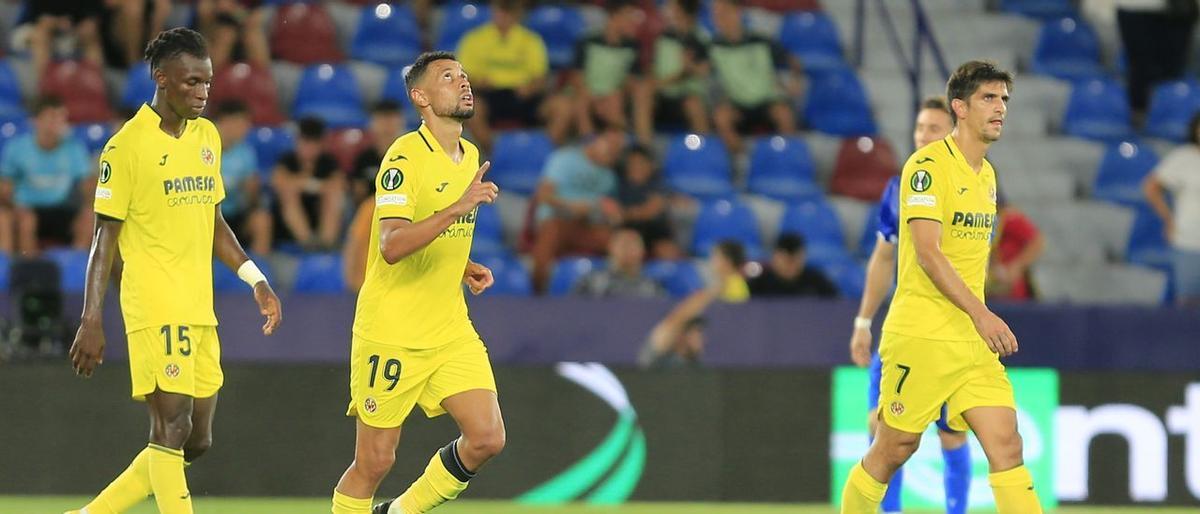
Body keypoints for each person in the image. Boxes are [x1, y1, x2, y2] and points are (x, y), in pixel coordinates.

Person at [65, 28, 282, 514]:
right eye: (191, 82)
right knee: (171, 427)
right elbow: (104, 238)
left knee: (196, 439)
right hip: (154, 301)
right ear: (161, 79)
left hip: (198, 305)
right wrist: (91, 318)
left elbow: (214, 222)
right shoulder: (126, 147)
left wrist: (256, 279)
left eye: (207, 82)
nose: (203, 93)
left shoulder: (207, 137)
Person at [840, 61, 1043, 514]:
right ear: (960, 107)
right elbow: (928, 254)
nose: (1000, 108)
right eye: (988, 98)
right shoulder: (926, 167)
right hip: (922, 336)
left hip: (971, 344)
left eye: (1004, 99)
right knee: (893, 448)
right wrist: (983, 313)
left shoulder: (986, 175)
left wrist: (979, 315)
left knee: (1007, 445)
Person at [330, 51, 505, 514]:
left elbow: (437, 229)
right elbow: (391, 244)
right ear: (421, 97)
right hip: (393, 332)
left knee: (487, 437)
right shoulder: (404, 156)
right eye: (448, 77)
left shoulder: (470, 156)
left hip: (449, 328)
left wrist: (463, 264)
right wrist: (458, 207)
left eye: (464, 75)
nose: (463, 82)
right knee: (374, 462)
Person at [846, 95, 972, 514]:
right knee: (883, 430)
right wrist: (863, 321)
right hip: (905, 328)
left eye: (933, 128)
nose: (922, 136)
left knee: (952, 432)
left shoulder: (970, 183)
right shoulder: (901, 187)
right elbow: (884, 257)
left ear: (952, 132)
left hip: (951, 333)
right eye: (919, 128)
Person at [456, 0, 570, 149]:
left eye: (509, 11)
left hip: (523, 95)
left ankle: (543, 152)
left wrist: (531, 88)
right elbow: (464, 76)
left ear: (518, 14)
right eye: (501, 10)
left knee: (563, 107)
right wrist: (478, 83)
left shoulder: (531, 40)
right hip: (490, 94)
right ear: (493, 11)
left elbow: (540, 77)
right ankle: (496, 153)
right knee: (469, 107)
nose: (504, 16)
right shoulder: (474, 39)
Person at [530, 128, 626, 294]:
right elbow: (543, 196)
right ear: (596, 141)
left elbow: (609, 209)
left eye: (617, 150)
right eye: (610, 146)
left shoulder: (609, 177)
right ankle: (538, 293)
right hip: (556, 220)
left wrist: (613, 215)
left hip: (588, 224)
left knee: (617, 241)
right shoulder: (564, 159)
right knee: (549, 238)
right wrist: (571, 206)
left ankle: (618, 291)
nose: (613, 153)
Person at [0, 96, 93, 256]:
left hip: (62, 209)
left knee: (90, 218)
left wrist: (89, 204)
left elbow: (88, 184)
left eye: (61, 118)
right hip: (26, 210)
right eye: (52, 117)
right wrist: (12, 204)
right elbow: (5, 185)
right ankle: (28, 266)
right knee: (26, 222)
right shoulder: (17, 148)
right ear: (36, 121)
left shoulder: (74, 148)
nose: (58, 123)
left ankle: (76, 266)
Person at [708, 0, 801, 154]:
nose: (720, 19)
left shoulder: (762, 41)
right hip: (736, 103)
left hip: (767, 101)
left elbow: (792, 61)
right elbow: (707, 78)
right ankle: (744, 160)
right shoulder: (712, 47)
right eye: (716, 15)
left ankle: (788, 157)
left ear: (737, 12)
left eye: (724, 13)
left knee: (784, 114)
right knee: (721, 117)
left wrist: (795, 80)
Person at [569, 0, 649, 138]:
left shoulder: (632, 46)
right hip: (587, 93)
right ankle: (588, 141)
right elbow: (576, 76)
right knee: (581, 101)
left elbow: (632, 80)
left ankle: (631, 142)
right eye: (629, 16)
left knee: (615, 100)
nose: (633, 21)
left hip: (614, 95)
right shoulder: (587, 40)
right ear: (614, 16)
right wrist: (595, 99)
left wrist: (616, 93)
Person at [1144, 111, 1200, 307]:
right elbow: (1151, 187)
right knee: (1189, 303)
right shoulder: (1183, 157)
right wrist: (1168, 219)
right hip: (1190, 240)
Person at [637, 0, 711, 143]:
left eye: (672, 7)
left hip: (687, 95)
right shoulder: (664, 37)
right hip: (662, 95)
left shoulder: (700, 38)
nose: (667, 10)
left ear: (682, 12)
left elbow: (700, 71)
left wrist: (689, 69)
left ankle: (704, 148)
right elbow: (655, 70)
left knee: (693, 104)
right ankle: (644, 146)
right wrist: (655, 83)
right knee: (643, 92)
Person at [271, 116, 346, 250]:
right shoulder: (287, 160)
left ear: (321, 144)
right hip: (289, 222)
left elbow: (339, 185)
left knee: (335, 196)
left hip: (319, 214)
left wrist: (305, 184)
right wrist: (314, 185)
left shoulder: (328, 162)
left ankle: (326, 243)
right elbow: (278, 183)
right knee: (288, 194)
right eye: (305, 143)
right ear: (298, 142)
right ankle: (307, 242)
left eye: (313, 143)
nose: (309, 148)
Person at [213, 99, 271, 256]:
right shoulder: (203, 148)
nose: (247, 128)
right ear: (226, 122)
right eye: (242, 123)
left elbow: (251, 197)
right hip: (207, 215)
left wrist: (251, 190)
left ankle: (259, 267)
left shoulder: (245, 153)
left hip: (234, 214)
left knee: (261, 220)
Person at [606, 144, 680, 260]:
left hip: (654, 232)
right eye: (633, 163)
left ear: (650, 165)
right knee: (620, 245)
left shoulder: (658, 184)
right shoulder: (617, 185)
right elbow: (613, 213)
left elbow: (651, 210)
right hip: (625, 231)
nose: (637, 167)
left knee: (668, 252)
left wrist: (627, 214)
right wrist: (633, 214)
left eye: (641, 163)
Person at [573, 226, 665, 299]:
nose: (627, 249)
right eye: (623, 244)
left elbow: (664, 313)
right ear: (610, 248)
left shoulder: (652, 287)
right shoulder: (591, 281)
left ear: (643, 251)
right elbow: (573, 309)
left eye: (633, 244)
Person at [988, 196, 1044, 302]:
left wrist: (1015, 267)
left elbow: (1037, 242)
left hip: (1011, 294)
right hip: (989, 290)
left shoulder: (1009, 218)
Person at [748, 233, 837, 298]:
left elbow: (835, 304)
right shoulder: (760, 284)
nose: (790, 266)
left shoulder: (816, 282)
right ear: (775, 258)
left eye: (795, 260)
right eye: (786, 261)